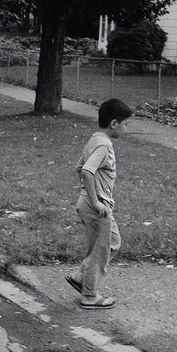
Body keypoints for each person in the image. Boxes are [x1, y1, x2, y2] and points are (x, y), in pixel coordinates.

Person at [65, 98, 133, 310]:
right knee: (102, 249)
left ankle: (80, 277)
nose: (126, 128)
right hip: (97, 207)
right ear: (114, 124)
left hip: (88, 202)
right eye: (125, 124)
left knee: (111, 241)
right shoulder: (104, 145)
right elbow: (86, 171)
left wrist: (87, 195)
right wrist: (95, 200)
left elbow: (79, 167)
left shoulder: (95, 139)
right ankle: (90, 295)